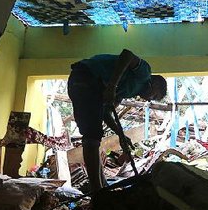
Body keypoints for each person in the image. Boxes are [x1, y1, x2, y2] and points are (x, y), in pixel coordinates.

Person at [67, 49, 167, 193]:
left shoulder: (126, 91)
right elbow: (127, 54)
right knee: (92, 136)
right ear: (155, 84)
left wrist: (121, 135)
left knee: (93, 134)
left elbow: (105, 113)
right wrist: (112, 85)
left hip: (82, 83)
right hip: (86, 76)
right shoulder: (144, 73)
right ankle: (97, 191)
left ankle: (102, 186)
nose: (149, 99)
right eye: (154, 95)